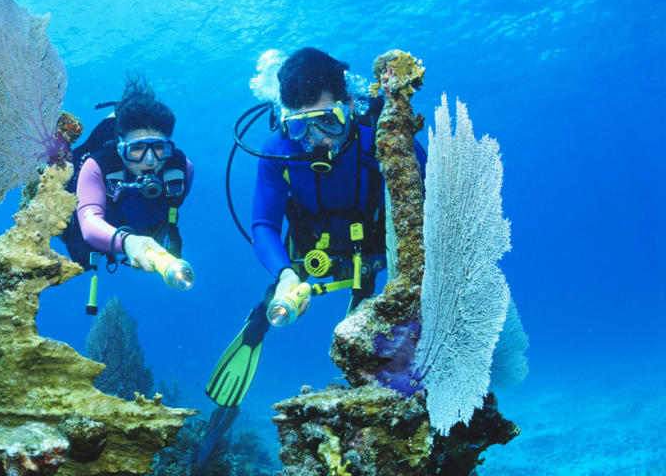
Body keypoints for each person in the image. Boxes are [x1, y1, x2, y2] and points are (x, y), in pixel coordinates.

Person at [205, 47, 426, 408]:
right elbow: (262, 225)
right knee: (281, 289)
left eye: (328, 120)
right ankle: (260, 323)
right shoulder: (278, 151)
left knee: (369, 308)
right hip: (309, 254)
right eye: (299, 125)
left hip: (374, 252)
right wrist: (286, 275)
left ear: (349, 106)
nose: (315, 138)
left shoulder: (383, 137)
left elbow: (427, 199)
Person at [62, 77, 194, 283]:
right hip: (105, 239)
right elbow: (89, 223)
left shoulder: (181, 168)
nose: (149, 161)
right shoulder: (97, 166)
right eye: (137, 149)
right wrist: (127, 242)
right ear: (120, 148)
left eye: (159, 148)